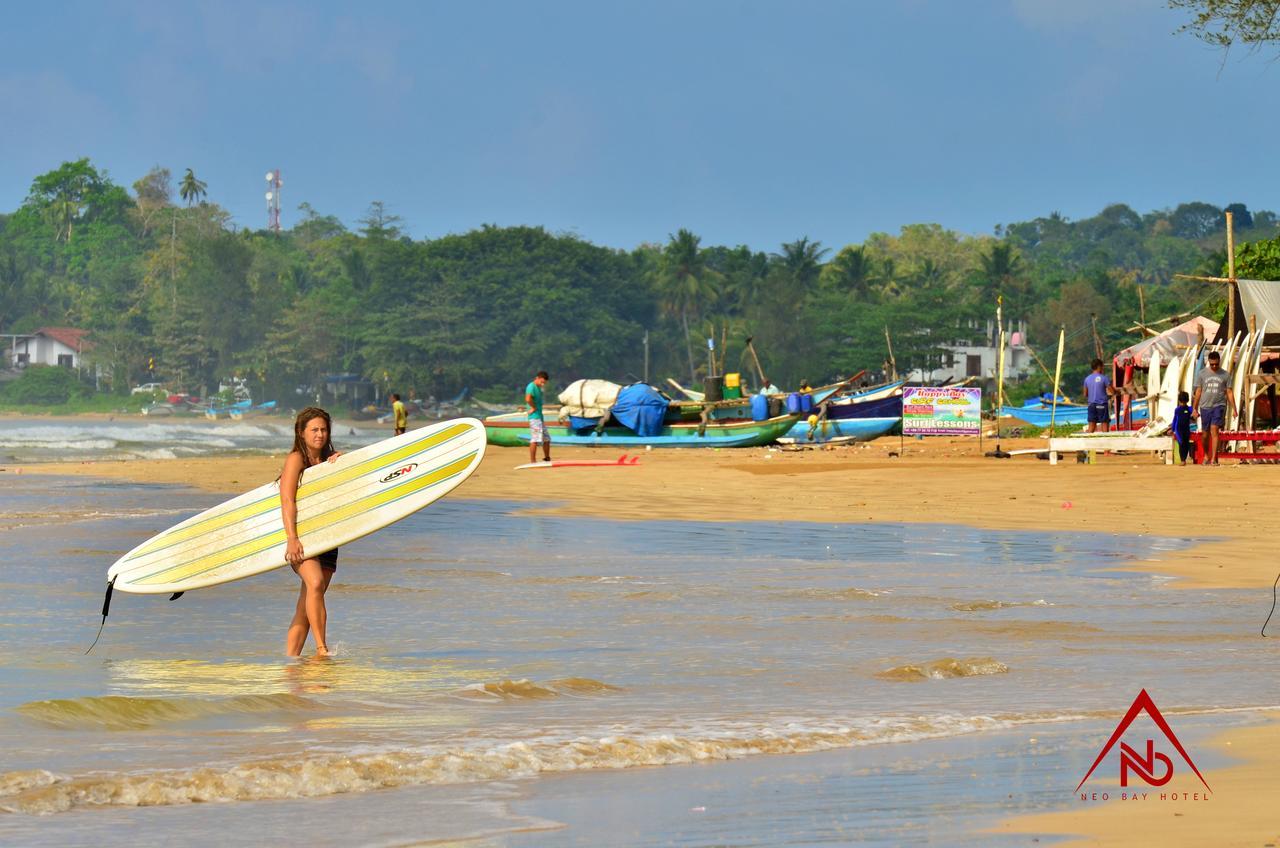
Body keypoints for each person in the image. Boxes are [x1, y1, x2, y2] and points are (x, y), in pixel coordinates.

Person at [280, 407, 342, 657]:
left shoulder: (330, 461)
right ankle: (321, 649)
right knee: (315, 583)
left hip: (327, 537)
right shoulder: (296, 459)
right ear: (301, 432)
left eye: (324, 429)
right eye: (314, 429)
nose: (320, 434)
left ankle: (291, 661)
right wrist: (291, 539)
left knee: (307, 605)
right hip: (301, 537)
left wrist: (340, 467)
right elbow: (287, 500)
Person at [1193, 351, 1235, 466]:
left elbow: (1229, 392)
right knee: (1205, 434)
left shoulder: (1225, 375)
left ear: (1219, 362)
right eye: (1212, 364)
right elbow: (1198, 391)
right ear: (1209, 362)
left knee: (1214, 430)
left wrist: (1234, 409)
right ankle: (1207, 455)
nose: (1214, 366)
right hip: (1205, 406)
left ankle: (1214, 459)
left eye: (1216, 364)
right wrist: (1195, 408)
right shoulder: (1202, 374)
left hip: (1219, 405)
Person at [525, 371, 551, 464]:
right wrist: (534, 407)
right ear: (537, 378)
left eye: (544, 383)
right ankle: (533, 461)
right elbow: (528, 399)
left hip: (540, 417)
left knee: (547, 439)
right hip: (534, 417)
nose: (543, 384)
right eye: (542, 382)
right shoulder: (531, 386)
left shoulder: (539, 388)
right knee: (535, 439)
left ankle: (547, 458)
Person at [1083, 359, 1114, 434]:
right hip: (1102, 404)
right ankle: (1106, 443)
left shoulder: (1087, 379)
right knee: (1104, 424)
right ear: (1099, 366)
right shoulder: (1104, 378)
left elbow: (1085, 394)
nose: (1103, 368)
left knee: (1091, 426)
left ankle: (1089, 443)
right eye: (1102, 366)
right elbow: (1112, 391)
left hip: (1091, 405)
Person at [1172, 391, 1194, 466]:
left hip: (1184, 429)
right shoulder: (1179, 409)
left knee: (1185, 444)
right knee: (1182, 443)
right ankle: (1183, 460)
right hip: (1179, 430)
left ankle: (1183, 459)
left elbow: (1174, 420)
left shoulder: (1189, 409)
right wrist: (1172, 429)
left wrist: (1172, 429)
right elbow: (1175, 419)